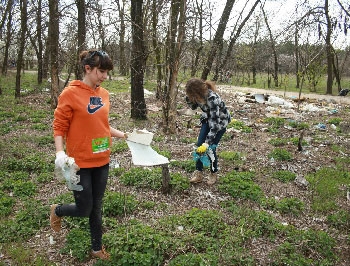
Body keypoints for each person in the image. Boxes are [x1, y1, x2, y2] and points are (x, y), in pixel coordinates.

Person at [51, 50, 126, 261]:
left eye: (107, 72)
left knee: (97, 207)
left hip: (102, 160)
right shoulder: (70, 94)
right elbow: (59, 127)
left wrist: (127, 135)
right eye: (101, 71)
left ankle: (96, 248)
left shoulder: (104, 94)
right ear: (87, 68)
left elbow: (103, 126)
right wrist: (59, 152)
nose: (104, 77)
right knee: (84, 208)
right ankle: (57, 210)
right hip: (79, 163)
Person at [185, 78, 231, 185]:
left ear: (198, 92)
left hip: (220, 123)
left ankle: (213, 172)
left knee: (210, 148)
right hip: (207, 119)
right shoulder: (197, 97)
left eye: (192, 94)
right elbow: (193, 106)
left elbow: (215, 126)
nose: (192, 97)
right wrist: (188, 98)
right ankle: (199, 173)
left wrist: (207, 143)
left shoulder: (212, 99)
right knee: (199, 146)